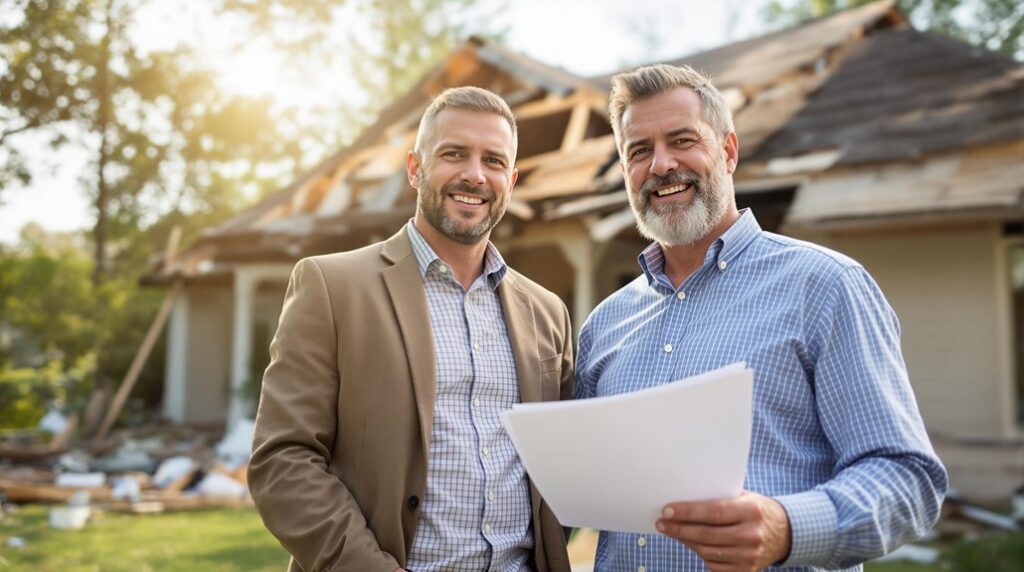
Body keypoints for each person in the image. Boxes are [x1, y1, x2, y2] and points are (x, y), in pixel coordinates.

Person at [574, 64, 947, 571]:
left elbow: (908, 480)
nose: (661, 165)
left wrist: (788, 527)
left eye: (682, 140)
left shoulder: (825, 286)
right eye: (639, 151)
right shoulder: (604, 325)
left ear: (728, 151)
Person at [249, 86, 574, 572]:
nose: (474, 174)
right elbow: (283, 459)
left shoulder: (548, 312)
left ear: (512, 178)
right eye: (453, 154)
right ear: (415, 168)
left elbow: (562, 463)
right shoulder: (332, 286)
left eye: (493, 160)